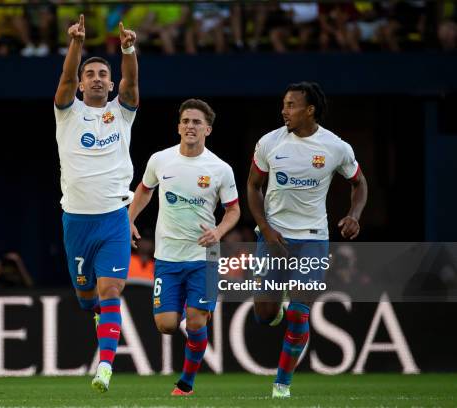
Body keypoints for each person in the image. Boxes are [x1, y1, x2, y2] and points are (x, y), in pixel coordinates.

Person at [247, 82, 368, 398]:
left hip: (314, 238)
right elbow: (253, 187)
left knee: (300, 312)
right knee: (263, 314)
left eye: (291, 105)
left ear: (309, 109)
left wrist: (354, 214)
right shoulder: (269, 143)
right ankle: (279, 311)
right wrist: (266, 228)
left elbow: (359, 183)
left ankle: (281, 384)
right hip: (273, 236)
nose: (284, 110)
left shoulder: (335, 147)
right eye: (284, 104)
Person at [129, 99, 240, 396]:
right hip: (167, 257)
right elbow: (143, 191)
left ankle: (186, 383)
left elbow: (233, 211)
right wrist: (129, 219)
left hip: (204, 256)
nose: (190, 126)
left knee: (193, 321)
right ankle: (200, 312)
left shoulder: (220, 169)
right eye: (186, 121)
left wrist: (218, 231)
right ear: (179, 126)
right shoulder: (160, 160)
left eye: (196, 122)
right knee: (166, 325)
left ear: (208, 129)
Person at [54, 14, 139, 393]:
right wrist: (76, 44)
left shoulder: (122, 112)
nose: (97, 79)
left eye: (103, 74)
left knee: (111, 291)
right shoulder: (67, 111)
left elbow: (132, 82)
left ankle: (105, 366)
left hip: (113, 219)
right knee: (87, 300)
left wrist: (127, 49)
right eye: (91, 74)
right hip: (76, 221)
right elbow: (66, 80)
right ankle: (98, 325)